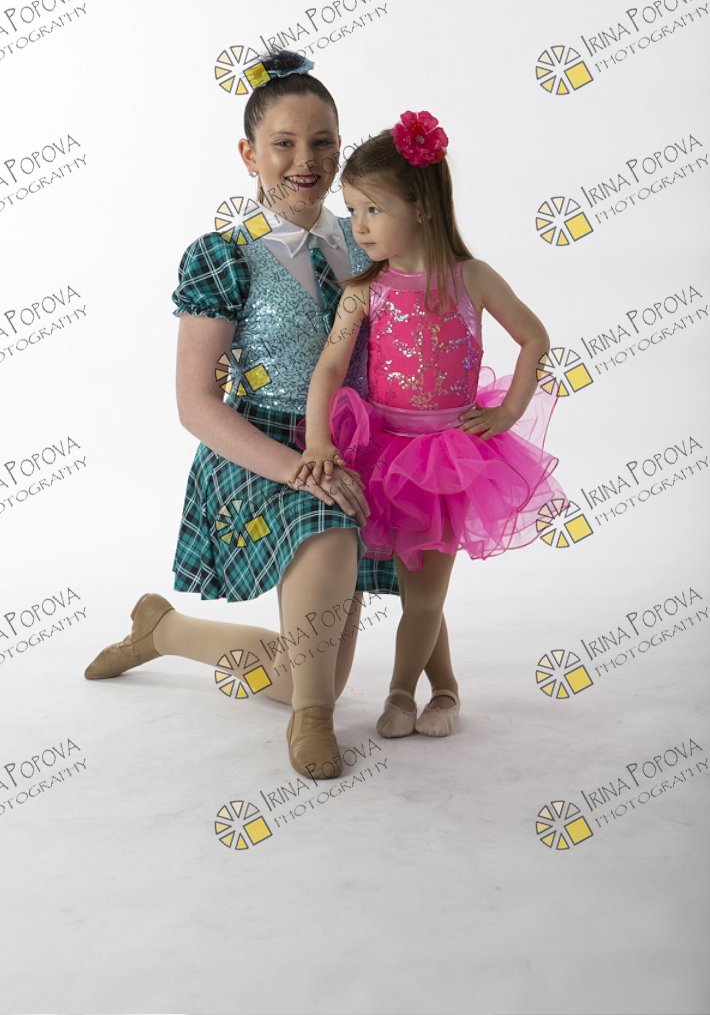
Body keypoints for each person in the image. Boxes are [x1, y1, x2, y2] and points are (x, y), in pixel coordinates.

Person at [82, 55, 456, 781]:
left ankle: (164, 629)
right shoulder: (224, 256)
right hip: (260, 448)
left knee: (310, 665)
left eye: (323, 141)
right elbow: (194, 403)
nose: (305, 160)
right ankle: (311, 719)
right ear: (249, 154)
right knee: (328, 534)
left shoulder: (371, 238)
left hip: (353, 444)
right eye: (284, 143)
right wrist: (299, 468)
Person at [291, 109, 568, 739]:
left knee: (422, 595)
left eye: (373, 210)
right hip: (383, 453)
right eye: (352, 210)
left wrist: (507, 412)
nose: (359, 225)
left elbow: (535, 337)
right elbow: (330, 367)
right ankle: (444, 690)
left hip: (447, 459)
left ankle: (400, 695)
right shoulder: (366, 289)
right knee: (419, 586)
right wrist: (319, 439)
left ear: (420, 207)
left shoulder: (471, 278)